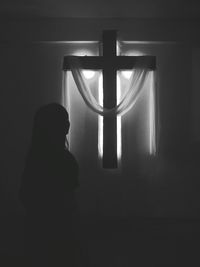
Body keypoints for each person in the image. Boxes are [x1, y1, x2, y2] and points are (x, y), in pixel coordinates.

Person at [19, 103, 80, 267]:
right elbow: (69, 199)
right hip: (59, 234)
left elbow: (25, 195)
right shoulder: (66, 161)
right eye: (65, 121)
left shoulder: (35, 160)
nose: (69, 125)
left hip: (37, 233)